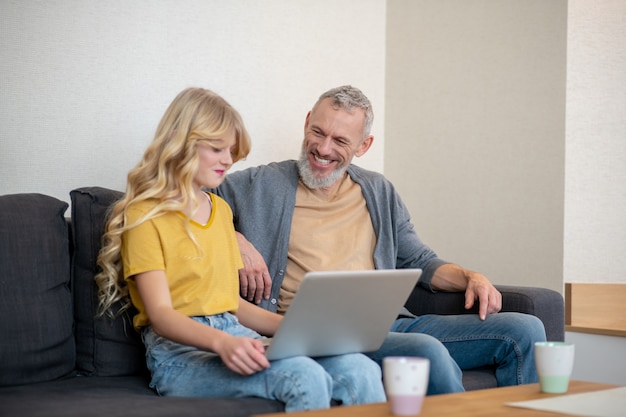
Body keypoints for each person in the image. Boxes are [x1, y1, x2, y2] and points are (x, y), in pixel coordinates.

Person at [214, 85, 547, 395]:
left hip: (389, 325)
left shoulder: (378, 190)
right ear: (306, 123)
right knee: (426, 351)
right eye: (318, 132)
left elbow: (419, 260)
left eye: (340, 141)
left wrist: (470, 277)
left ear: (364, 145)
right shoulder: (259, 184)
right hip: (315, 332)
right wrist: (234, 238)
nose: (323, 148)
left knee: (526, 329)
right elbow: (181, 200)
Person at [94, 87, 386, 412]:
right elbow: (162, 315)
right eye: (217, 149)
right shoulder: (144, 216)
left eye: (231, 150)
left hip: (235, 332)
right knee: (302, 376)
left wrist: (303, 330)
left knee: (360, 368)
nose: (228, 160)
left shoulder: (220, 212)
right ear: (181, 141)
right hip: (179, 355)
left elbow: (230, 303)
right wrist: (223, 342)